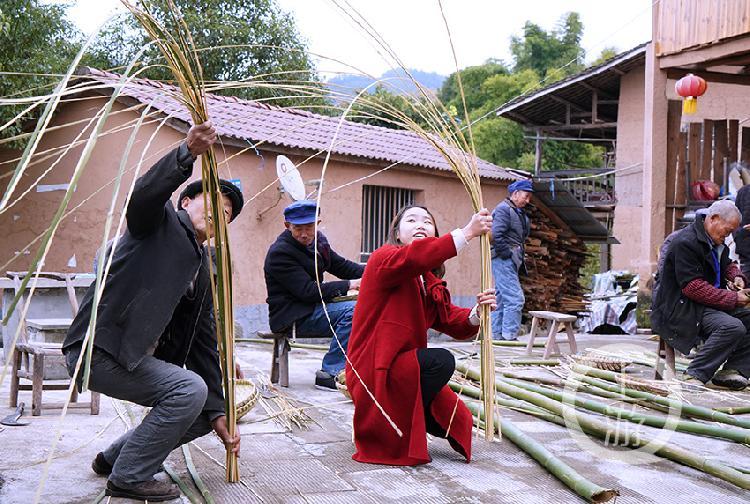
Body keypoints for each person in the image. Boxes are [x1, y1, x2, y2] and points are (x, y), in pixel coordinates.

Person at [62, 122, 243, 502]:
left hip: (131, 360)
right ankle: (130, 476)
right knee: (187, 389)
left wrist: (219, 409)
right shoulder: (156, 224)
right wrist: (186, 153)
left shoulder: (203, 268)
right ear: (185, 202)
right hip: (99, 348)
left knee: (200, 409)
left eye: (227, 214)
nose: (219, 213)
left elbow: (203, 340)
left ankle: (113, 459)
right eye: (212, 201)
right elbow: (144, 196)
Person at [346, 205, 495, 465]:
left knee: (457, 418)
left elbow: (449, 318)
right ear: (397, 232)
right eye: (411, 220)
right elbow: (416, 257)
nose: (420, 225)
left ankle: (412, 417)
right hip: (374, 367)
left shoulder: (426, 279)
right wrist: (468, 233)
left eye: (427, 221)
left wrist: (477, 313)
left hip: (402, 367)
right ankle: (396, 421)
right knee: (441, 361)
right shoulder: (384, 259)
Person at [263, 200, 365, 390]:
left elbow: (342, 266)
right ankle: (330, 373)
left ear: (317, 223)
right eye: (298, 228)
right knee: (354, 310)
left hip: (313, 308)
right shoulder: (280, 252)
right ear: (287, 226)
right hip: (294, 315)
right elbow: (308, 291)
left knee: (369, 307)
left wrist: (376, 271)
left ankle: (356, 368)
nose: (304, 234)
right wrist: (351, 284)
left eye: (309, 227)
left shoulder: (319, 242)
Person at [651, 200, 750, 390]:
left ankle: (733, 370)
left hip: (705, 306)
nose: (728, 236)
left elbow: (726, 264)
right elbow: (693, 287)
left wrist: (736, 277)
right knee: (732, 327)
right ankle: (694, 374)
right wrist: (733, 298)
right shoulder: (685, 243)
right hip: (681, 308)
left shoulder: (714, 241)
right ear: (713, 219)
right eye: (727, 231)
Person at [490, 179, 533, 341]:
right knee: (515, 299)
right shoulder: (503, 210)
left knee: (501, 298)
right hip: (503, 258)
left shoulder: (515, 211)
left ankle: (496, 336)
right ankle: (509, 337)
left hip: (511, 259)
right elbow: (495, 235)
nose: (528, 201)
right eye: (526, 196)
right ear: (515, 194)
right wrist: (507, 253)